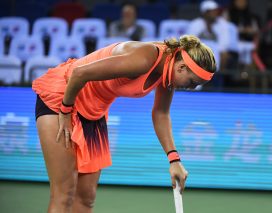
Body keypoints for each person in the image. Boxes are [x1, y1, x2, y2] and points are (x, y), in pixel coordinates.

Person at [32, 34, 216, 212]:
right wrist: (65, 112)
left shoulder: (168, 73)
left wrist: (174, 160)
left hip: (94, 111)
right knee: (64, 195)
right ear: (181, 67)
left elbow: (161, 113)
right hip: (63, 97)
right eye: (193, 82)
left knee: (86, 197)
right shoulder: (144, 59)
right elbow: (80, 73)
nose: (192, 88)